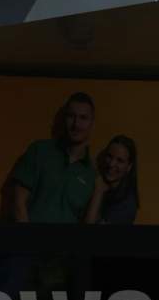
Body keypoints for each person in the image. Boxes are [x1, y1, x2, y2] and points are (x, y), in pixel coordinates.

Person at [7, 92, 97, 223]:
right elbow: (17, 202)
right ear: (64, 119)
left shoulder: (91, 173)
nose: (76, 124)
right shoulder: (39, 151)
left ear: (91, 123)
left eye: (83, 118)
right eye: (71, 116)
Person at [84, 135, 139, 225]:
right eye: (109, 156)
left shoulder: (127, 205)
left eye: (120, 160)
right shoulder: (95, 180)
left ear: (129, 167)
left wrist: (98, 191)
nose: (111, 164)